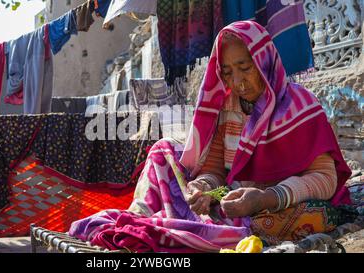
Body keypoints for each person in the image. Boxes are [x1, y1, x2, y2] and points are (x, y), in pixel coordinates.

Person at [70, 21, 353, 251]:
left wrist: (265, 198)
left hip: (279, 202)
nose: (237, 82)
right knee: (162, 152)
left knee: (290, 221)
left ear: (264, 61)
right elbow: (218, 172)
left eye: (245, 67)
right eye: (227, 73)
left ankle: (186, 226)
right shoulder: (227, 108)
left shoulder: (301, 106)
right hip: (235, 196)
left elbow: (325, 180)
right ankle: (145, 220)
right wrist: (204, 188)